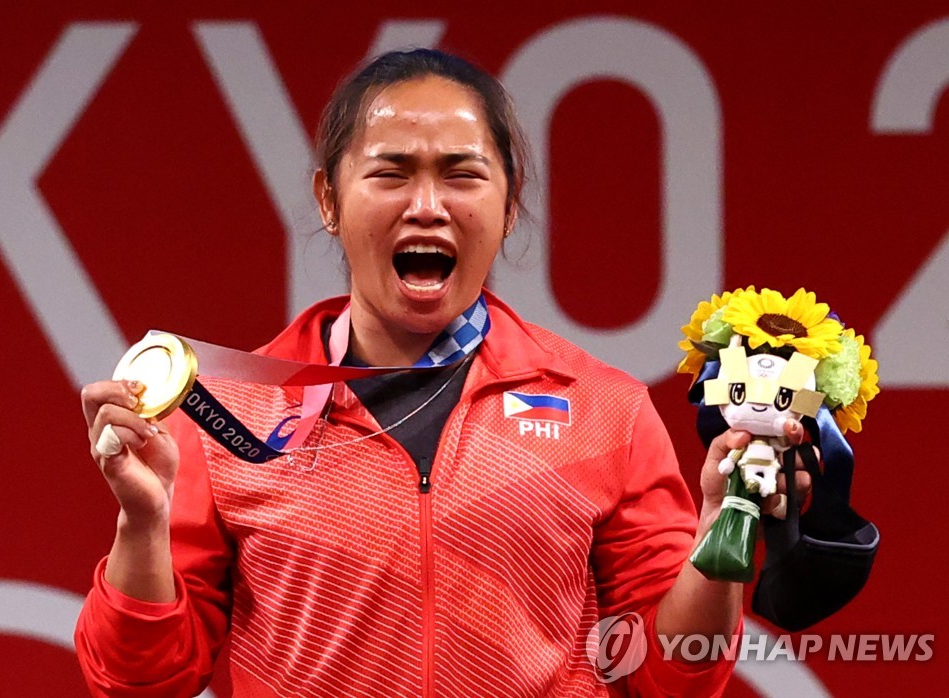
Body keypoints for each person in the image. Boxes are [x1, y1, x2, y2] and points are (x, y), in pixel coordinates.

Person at [75, 48, 809, 697]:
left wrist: (722, 532)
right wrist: (142, 525)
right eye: (390, 174)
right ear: (329, 200)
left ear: (509, 203)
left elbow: (674, 677)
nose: (427, 206)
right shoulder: (229, 416)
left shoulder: (602, 410)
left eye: (461, 175)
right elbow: (142, 681)